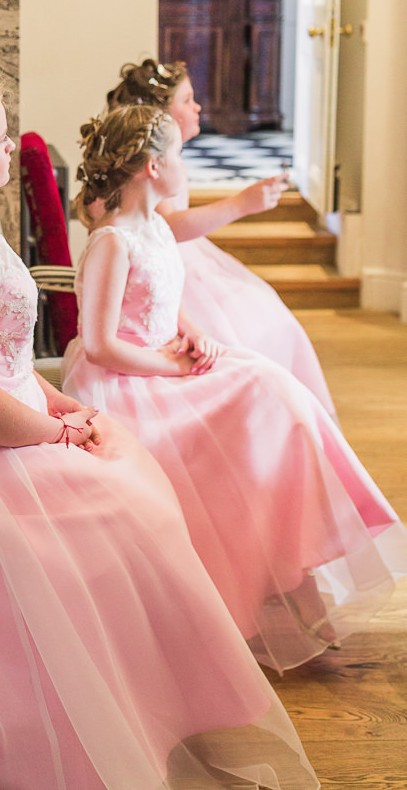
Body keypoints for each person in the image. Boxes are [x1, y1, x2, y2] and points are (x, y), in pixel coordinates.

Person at [0, 73, 319, 790]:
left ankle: (147, 705)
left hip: (3, 418)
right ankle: (75, 721)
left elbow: (8, 364)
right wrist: (58, 434)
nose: (6, 145)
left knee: (132, 486)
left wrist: (67, 409)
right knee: (118, 511)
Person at [62, 102, 407, 676]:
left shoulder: (154, 229)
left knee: (279, 396)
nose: (183, 165)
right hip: (129, 383)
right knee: (256, 413)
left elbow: (169, 307)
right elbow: (97, 343)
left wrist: (198, 339)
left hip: (168, 361)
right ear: (151, 167)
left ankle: (296, 575)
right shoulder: (112, 242)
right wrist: (173, 366)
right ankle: (273, 588)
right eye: (177, 154)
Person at [106, 58, 337, 417]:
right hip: (169, 270)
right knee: (249, 338)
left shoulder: (169, 157)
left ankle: (290, 421)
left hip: (190, 259)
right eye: (187, 100)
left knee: (273, 318)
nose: (197, 107)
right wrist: (241, 204)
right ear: (159, 114)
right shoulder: (148, 169)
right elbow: (165, 230)